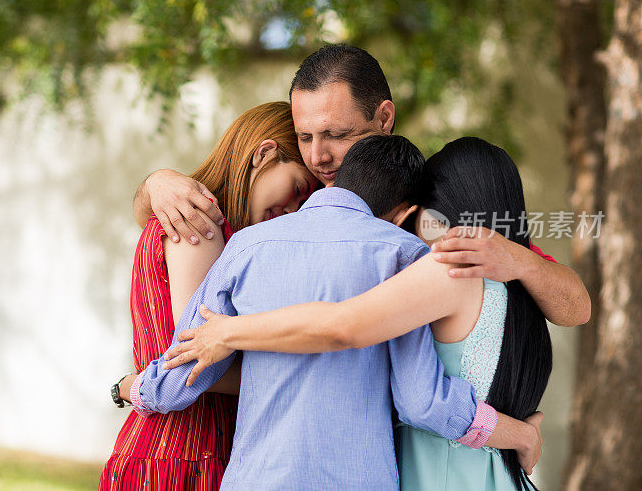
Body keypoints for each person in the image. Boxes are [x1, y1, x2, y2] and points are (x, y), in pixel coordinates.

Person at [129, 135, 543, 491]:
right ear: (404, 213)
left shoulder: (246, 245)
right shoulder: (403, 255)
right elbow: (422, 402)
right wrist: (514, 432)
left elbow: (181, 375)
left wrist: (128, 389)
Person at [131, 44, 590, 328]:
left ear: (383, 118)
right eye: (305, 137)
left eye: (336, 134)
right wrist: (156, 184)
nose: (317, 156)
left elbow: (576, 308)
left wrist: (516, 259)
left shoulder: (430, 199)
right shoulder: (297, 201)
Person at [100, 102, 318, 491]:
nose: (292, 209)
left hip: (169, 444)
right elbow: (194, 364)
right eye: (298, 188)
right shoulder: (201, 225)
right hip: (190, 451)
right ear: (264, 154)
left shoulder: (197, 221)